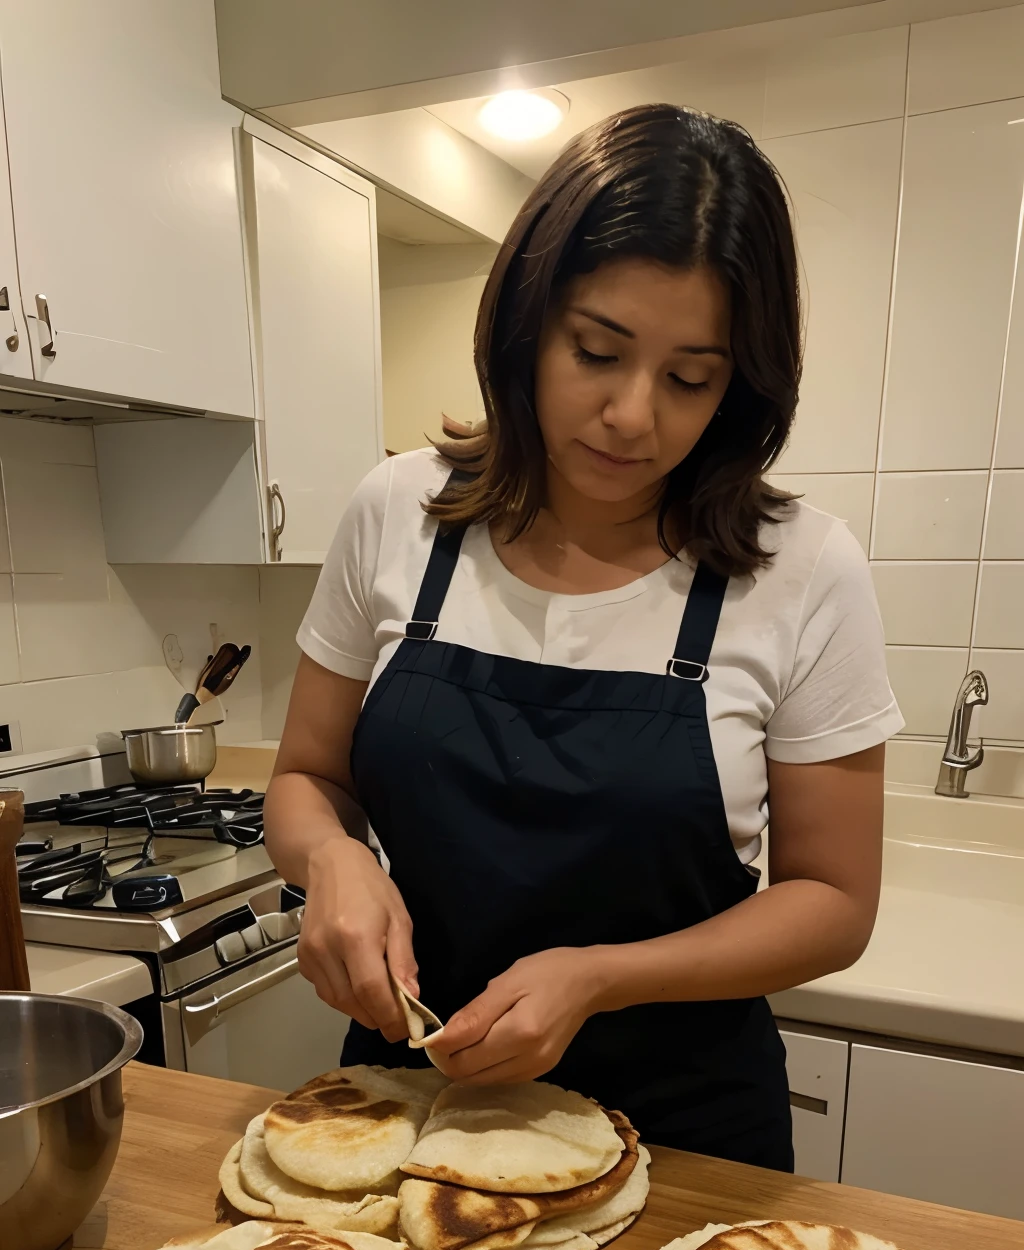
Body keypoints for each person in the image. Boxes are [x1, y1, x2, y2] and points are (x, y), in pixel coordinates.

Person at [263, 104, 903, 1173]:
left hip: (691, 1143)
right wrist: (331, 856)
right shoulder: (397, 513)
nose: (631, 416)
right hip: (405, 1111)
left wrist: (598, 975)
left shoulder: (804, 568)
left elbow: (832, 904)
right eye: (597, 351)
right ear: (527, 322)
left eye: (689, 378)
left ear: (739, 385)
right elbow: (305, 777)